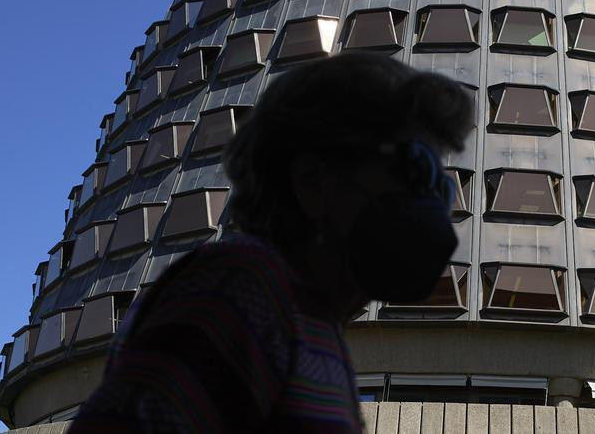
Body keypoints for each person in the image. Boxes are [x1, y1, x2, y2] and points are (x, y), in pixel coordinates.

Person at [68, 52, 474, 433]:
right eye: (416, 168)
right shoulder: (239, 291)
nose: (432, 200)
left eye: (441, 185)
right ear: (314, 180)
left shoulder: (309, 324)